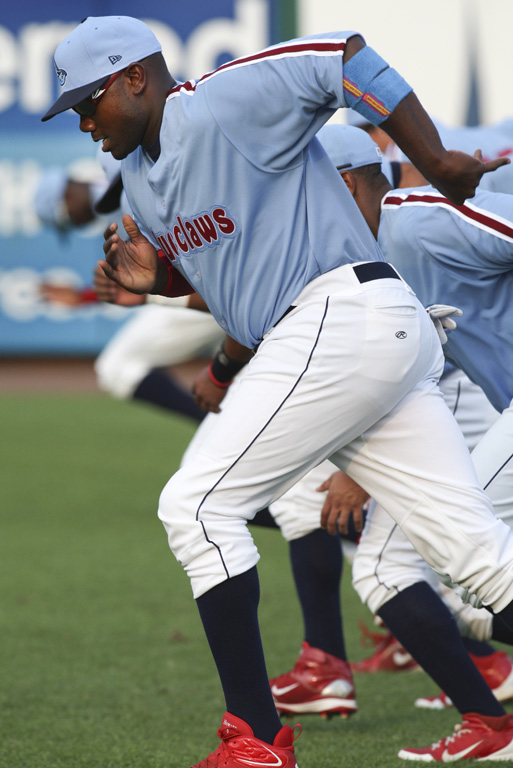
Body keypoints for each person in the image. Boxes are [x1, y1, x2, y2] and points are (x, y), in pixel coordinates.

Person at [42, 15, 513, 767]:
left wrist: (433, 158)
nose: (85, 123)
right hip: (367, 333)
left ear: (135, 77)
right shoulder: (139, 176)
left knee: (196, 507)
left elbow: (342, 55)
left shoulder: (219, 100)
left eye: (88, 102)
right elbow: (230, 271)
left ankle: (255, 742)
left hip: (339, 315)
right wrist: (156, 280)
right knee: (480, 563)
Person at [314, 122, 513, 760]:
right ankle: (489, 721)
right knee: (415, 566)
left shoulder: (418, 216)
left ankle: (490, 720)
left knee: (415, 561)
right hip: (494, 406)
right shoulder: (360, 260)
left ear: (346, 184)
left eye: (308, 192)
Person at [34, 160, 224, 422]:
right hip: (209, 286)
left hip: (208, 288)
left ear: (67, 196)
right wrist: (83, 297)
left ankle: (211, 422)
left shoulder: (121, 188)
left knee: (115, 366)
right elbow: (137, 280)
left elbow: (152, 276)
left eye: (66, 220)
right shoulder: (114, 186)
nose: (75, 225)